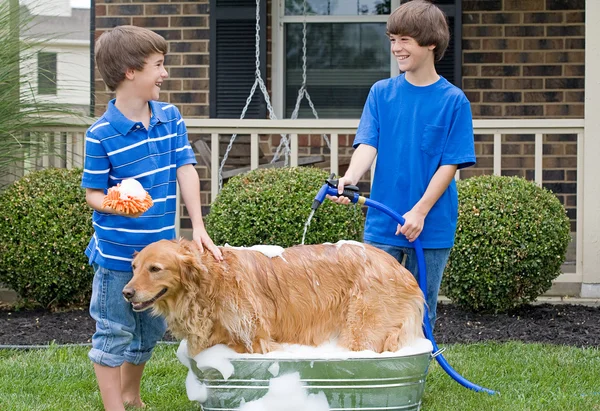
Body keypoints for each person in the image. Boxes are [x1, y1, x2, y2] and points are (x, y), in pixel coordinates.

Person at [81, 25, 223, 411]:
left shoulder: (170, 117)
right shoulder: (101, 133)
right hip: (117, 261)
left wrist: (198, 225)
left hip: (161, 255)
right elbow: (93, 193)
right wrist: (117, 203)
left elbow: (186, 168)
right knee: (113, 335)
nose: (165, 73)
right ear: (130, 71)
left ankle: (131, 396)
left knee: (145, 336)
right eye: (158, 65)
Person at [328, 0, 475, 328]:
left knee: (420, 310)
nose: (396, 47)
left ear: (431, 42)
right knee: (372, 309)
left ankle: (415, 376)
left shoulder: (453, 102)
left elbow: (449, 165)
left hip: (431, 226)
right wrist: (350, 178)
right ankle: (378, 374)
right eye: (392, 39)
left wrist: (420, 211)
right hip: (383, 223)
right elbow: (368, 144)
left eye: (405, 40)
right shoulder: (381, 93)